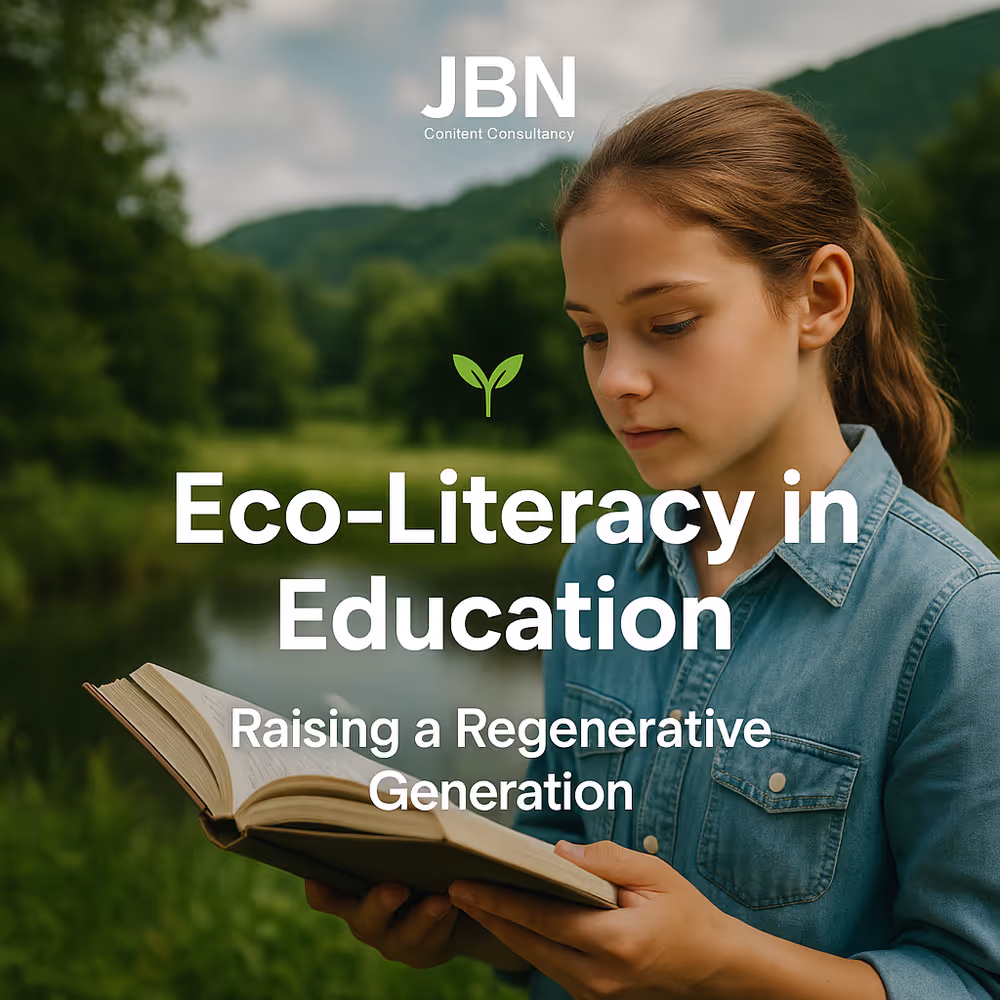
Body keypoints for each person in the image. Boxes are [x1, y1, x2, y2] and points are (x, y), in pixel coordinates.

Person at [305, 88, 1000, 998]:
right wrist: (462, 925)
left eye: (669, 324)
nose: (618, 380)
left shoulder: (956, 618)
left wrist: (720, 965)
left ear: (819, 299)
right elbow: (560, 865)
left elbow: (971, 978)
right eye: (592, 335)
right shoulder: (599, 566)